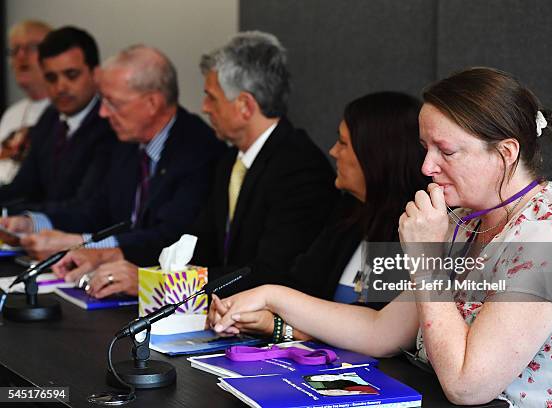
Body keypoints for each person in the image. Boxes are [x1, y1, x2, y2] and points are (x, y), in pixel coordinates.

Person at [208, 67, 552, 406]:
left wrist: (425, 257)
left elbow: (468, 385)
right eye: (424, 148)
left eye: (445, 151)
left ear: (506, 153)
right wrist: (274, 295)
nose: (426, 166)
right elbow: (381, 331)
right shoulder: (467, 220)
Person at [51, 31, 337, 300]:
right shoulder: (230, 161)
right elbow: (195, 244)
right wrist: (114, 255)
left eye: (211, 97)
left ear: (245, 106)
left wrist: (153, 283)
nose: (204, 107)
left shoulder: (299, 169)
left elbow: (269, 274)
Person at [210, 91, 428, 341]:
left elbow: (374, 329)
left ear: (377, 155)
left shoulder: (412, 230)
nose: (333, 151)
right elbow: (300, 286)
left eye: (344, 143)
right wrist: (246, 310)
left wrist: (278, 325)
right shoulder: (349, 213)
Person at [3, 45, 225, 263]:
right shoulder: (125, 143)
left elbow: (170, 237)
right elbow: (93, 211)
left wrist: (79, 243)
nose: (103, 112)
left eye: (113, 103)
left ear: (152, 103)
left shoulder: (198, 148)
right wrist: (33, 223)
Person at [0, 26, 116, 217]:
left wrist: (21, 215)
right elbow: (23, 187)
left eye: (71, 75)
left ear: (96, 74)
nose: (60, 87)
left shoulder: (111, 123)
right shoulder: (50, 117)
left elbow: (84, 207)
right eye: (51, 78)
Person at [0, 20, 52, 184]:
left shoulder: (66, 111)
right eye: (15, 50)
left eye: (31, 48)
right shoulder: (12, 114)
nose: (21, 56)